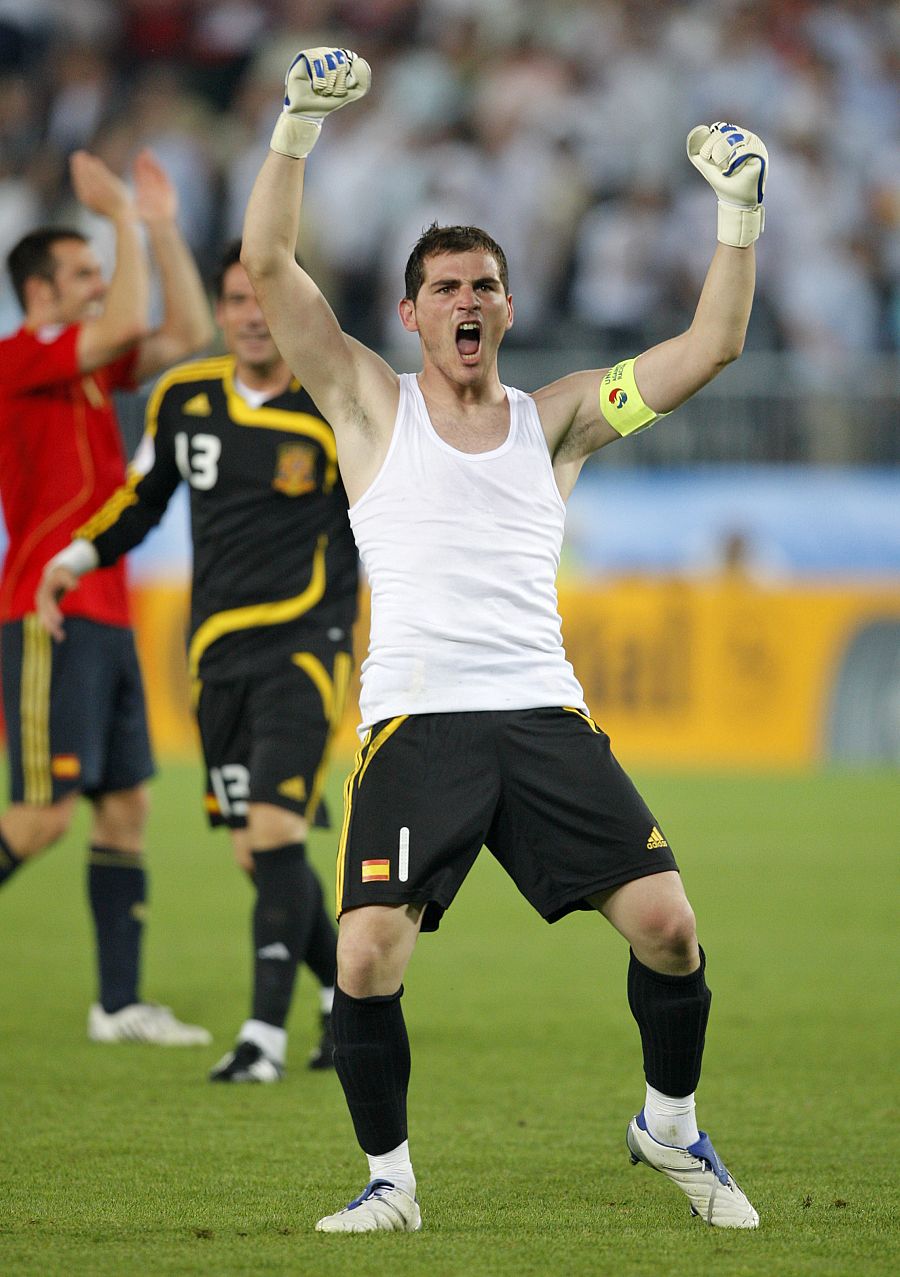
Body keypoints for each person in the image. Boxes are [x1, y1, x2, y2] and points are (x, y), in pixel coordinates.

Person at [241, 47, 766, 1231]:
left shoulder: (560, 419)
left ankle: (669, 1126)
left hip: (541, 712)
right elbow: (269, 265)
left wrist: (739, 211)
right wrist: (294, 127)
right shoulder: (370, 405)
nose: (467, 302)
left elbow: (712, 348)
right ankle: (392, 1182)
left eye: (485, 284)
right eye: (446, 287)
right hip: (418, 716)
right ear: (411, 311)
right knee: (368, 955)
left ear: (508, 305)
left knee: (672, 929)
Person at [36, 241, 359, 1082]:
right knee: (260, 852)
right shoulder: (184, 399)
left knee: (278, 829)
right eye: (237, 300)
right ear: (221, 312)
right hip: (216, 657)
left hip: (305, 647)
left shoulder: (336, 404)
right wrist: (73, 557)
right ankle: (346, 999)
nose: (254, 315)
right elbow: (141, 500)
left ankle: (263, 1037)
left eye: (265, 299)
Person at [0, 149, 213, 1045]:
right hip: (48, 611)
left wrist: (159, 225)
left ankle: (119, 1004)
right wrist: (119, 214)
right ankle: (119, 1002)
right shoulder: (20, 356)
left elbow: (186, 329)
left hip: (108, 609)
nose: (100, 283)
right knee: (44, 816)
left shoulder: (86, 369)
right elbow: (132, 315)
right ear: (41, 290)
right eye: (83, 271)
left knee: (126, 807)